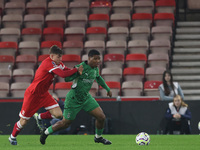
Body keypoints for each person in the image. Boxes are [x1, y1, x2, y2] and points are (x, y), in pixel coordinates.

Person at [8, 45, 83, 145]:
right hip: (33, 94)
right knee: (24, 122)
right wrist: (77, 69)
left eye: (61, 57)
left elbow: (67, 71)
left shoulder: (58, 63)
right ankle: (12, 137)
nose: (60, 59)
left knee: (59, 114)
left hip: (44, 94)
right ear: (51, 56)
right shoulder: (48, 63)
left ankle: (39, 117)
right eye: (58, 57)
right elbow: (63, 75)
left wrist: (77, 71)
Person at [40, 49, 112, 145]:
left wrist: (107, 89)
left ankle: (98, 137)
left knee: (101, 117)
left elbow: (98, 78)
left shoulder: (95, 69)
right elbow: (67, 78)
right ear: (89, 58)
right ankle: (45, 132)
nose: (98, 61)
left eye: (99, 59)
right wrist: (77, 73)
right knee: (65, 123)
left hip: (86, 98)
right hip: (73, 99)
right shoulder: (80, 67)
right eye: (95, 59)